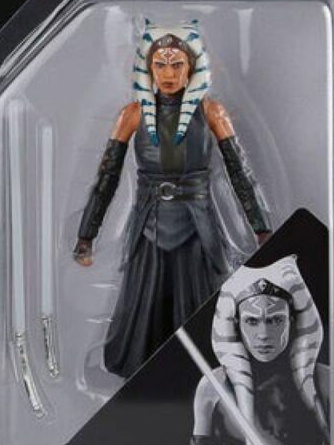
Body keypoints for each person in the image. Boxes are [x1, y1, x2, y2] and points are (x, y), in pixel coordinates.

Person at [73, 19, 270, 378]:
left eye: (177, 64)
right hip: (148, 225)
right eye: (160, 65)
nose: (168, 73)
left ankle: (202, 374)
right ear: (148, 68)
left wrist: (261, 229)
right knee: (143, 309)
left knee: (200, 305)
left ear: (191, 68)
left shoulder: (211, 112)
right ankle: (145, 379)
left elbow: (240, 172)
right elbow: (107, 178)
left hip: (198, 225)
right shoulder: (132, 114)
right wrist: (87, 234)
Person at [171, 257, 330, 445]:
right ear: (236, 322)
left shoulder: (324, 381)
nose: (264, 334)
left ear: (292, 320)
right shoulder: (213, 385)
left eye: (275, 320)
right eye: (252, 321)